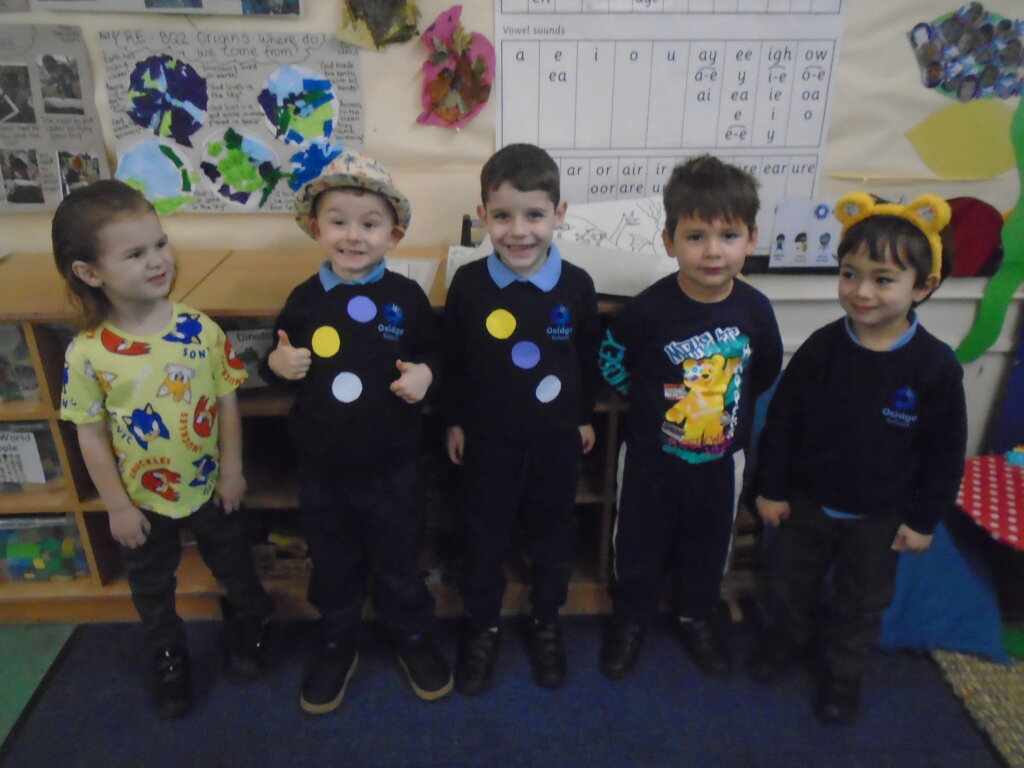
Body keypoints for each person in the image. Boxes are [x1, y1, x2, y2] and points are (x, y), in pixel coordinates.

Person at [55, 180, 274, 719]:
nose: (158, 261)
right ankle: (169, 656)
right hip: (141, 501)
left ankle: (249, 625)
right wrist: (117, 506)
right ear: (90, 273)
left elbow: (226, 400)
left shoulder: (200, 330)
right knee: (152, 589)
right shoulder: (87, 354)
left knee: (236, 565)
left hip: (210, 487)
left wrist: (232, 470)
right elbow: (90, 433)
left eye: (160, 243)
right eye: (135, 254)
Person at [746, 192, 967, 725]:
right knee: (789, 584)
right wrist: (770, 489)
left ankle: (843, 676)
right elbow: (782, 424)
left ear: (924, 286)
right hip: (807, 504)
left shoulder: (934, 367)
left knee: (860, 602)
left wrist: (923, 519)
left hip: (879, 517)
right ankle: (786, 642)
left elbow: (944, 453)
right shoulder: (822, 348)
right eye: (850, 274)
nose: (861, 291)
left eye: (883, 279)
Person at [263, 149, 451, 713]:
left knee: (399, 558)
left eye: (369, 224)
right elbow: (275, 356)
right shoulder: (304, 299)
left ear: (393, 234)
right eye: (339, 222)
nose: (353, 236)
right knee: (333, 560)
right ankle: (336, 639)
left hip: (393, 466)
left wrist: (426, 374)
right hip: (324, 468)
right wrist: (278, 364)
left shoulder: (407, 298)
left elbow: (436, 353)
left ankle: (411, 633)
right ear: (316, 228)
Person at [597, 154, 782, 682]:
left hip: (723, 462)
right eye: (696, 236)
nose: (713, 251)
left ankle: (695, 614)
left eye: (729, 235)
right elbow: (611, 359)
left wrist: (729, 412)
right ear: (669, 240)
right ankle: (630, 618)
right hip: (651, 460)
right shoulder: (647, 310)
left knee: (709, 544)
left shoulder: (755, 311)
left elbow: (764, 370)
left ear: (751, 239)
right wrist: (645, 400)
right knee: (637, 542)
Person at [444, 143, 599, 694]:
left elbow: (585, 358)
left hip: (556, 440)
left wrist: (583, 416)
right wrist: (455, 420)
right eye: (503, 216)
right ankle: (483, 625)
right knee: (483, 536)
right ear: (482, 215)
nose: (519, 231)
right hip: (488, 440)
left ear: (559, 214)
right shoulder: (469, 284)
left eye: (534, 215)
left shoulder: (577, 285)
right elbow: (454, 361)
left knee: (553, 535)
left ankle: (545, 620)